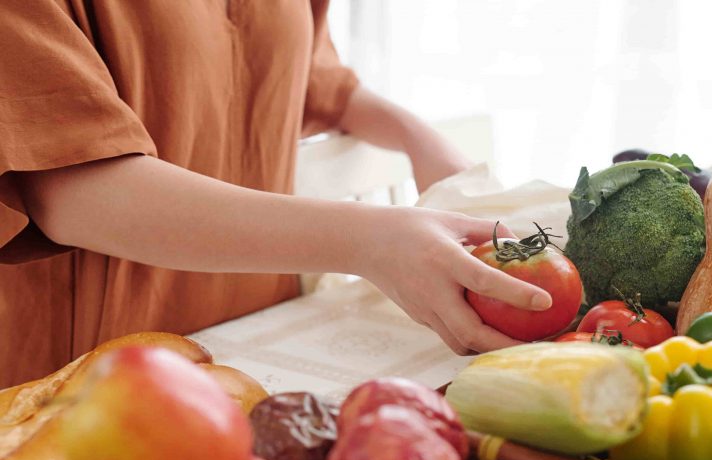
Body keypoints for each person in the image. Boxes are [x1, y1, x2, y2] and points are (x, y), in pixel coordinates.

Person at [0, 0, 552, 388]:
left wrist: (421, 142)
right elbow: (69, 190)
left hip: (258, 327)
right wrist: (367, 242)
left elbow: (313, 75)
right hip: (93, 358)